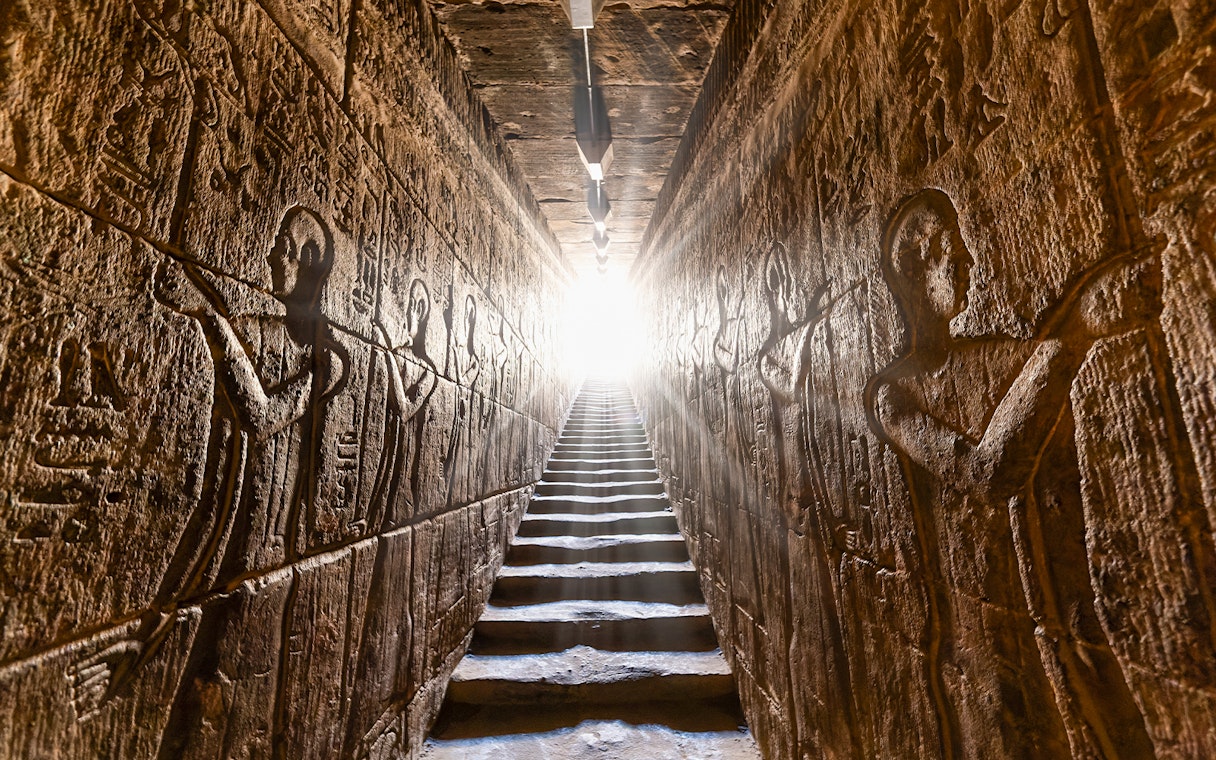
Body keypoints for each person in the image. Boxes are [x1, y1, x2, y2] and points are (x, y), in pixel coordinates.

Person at [866, 189, 1154, 758]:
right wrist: (1072, 337)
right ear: (919, 273)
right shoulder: (893, 394)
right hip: (984, 633)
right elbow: (985, 474)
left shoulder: (997, 354)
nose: (968, 260)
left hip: (1061, 604)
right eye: (951, 250)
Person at [70, 206, 347, 711]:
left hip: (267, 540)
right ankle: (142, 647)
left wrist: (212, 321)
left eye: (282, 248)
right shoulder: (262, 328)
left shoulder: (326, 358)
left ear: (308, 261)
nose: (268, 255)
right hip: (230, 521)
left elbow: (261, 416)